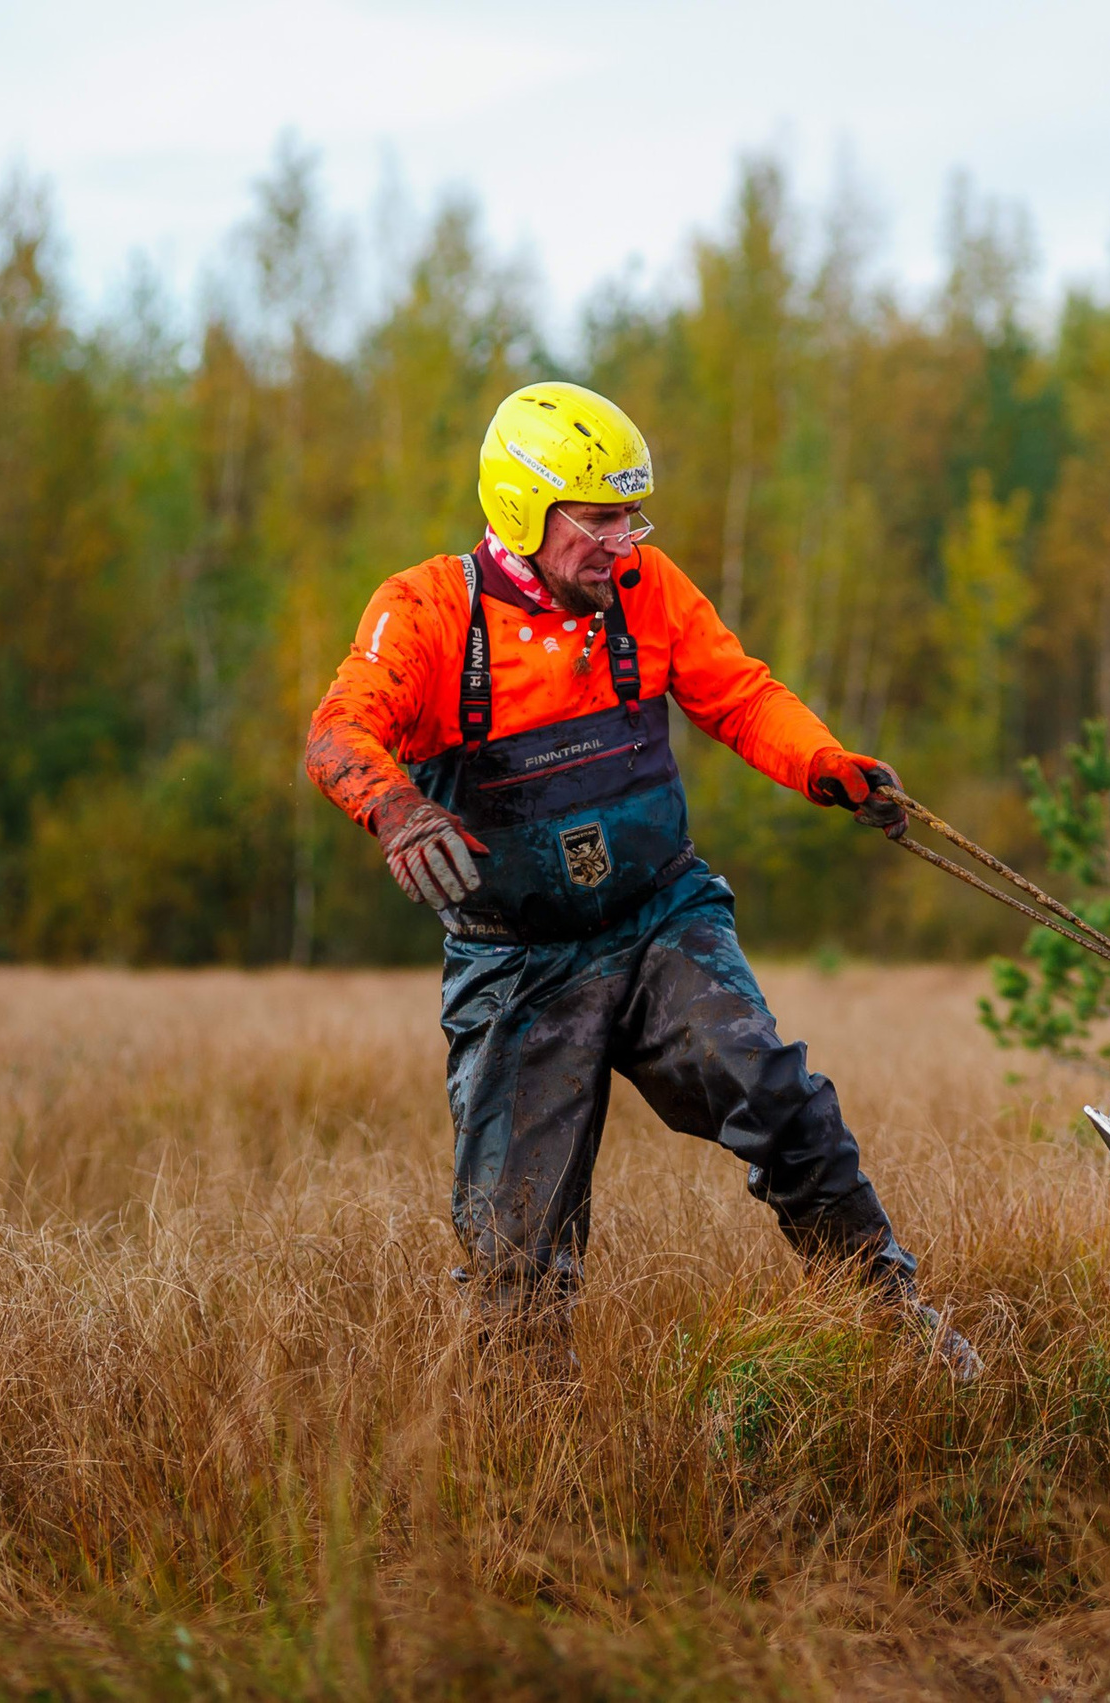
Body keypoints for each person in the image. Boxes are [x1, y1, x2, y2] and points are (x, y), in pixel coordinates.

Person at [307, 380, 979, 1379]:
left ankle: (891, 1327)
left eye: (632, 517)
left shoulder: (646, 590)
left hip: (661, 919)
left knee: (780, 1096)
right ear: (523, 508)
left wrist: (826, 763)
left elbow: (740, 695)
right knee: (516, 1240)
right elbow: (338, 730)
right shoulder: (428, 611)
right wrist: (396, 805)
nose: (623, 542)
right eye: (601, 519)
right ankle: (531, 1453)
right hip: (518, 966)